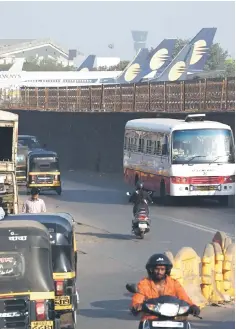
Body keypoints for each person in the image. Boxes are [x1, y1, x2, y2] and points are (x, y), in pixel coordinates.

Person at [130, 253, 200, 329]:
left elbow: (184, 298)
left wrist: (193, 306)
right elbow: (137, 299)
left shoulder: (174, 283)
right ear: (151, 270)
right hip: (151, 319)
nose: (159, 272)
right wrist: (137, 306)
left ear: (166, 270)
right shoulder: (144, 283)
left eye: (162, 269)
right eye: (157, 269)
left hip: (173, 319)